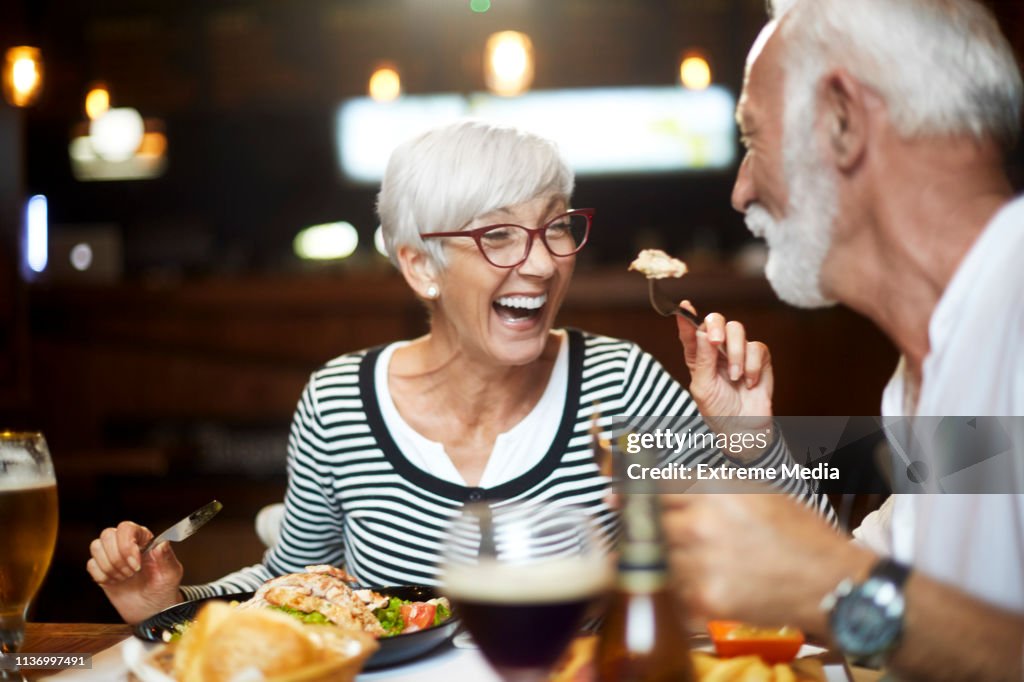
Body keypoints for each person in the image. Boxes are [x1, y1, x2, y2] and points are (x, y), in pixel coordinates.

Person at [86, 120, 831, 625]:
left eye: (556, 226)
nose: (540, 263)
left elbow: (820, 570)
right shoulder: (339, 403)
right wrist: (169, 600)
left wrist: (748, 442)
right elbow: (288, 591)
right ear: (420, 265)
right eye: (499, 235)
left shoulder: (620, 385)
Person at [663, 0, 1024, 679]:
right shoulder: (933, 363)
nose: (740, 192)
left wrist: (831, 581)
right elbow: (876, 621)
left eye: (753, 139)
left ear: (843, 120)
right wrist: (753, 450)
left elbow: (847, 593)